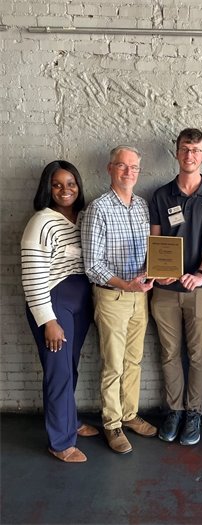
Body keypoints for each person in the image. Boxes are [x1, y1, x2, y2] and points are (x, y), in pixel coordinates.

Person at [150, 128, 202, 446]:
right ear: (177, 152)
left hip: (200, 288)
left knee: (196, 353)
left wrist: (199, 273)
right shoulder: (160, 195)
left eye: (196, 150)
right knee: (169, 353)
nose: (190, 155)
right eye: (185, 149)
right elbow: (155, 240)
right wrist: (157, 272)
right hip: (165, 290)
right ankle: (175, 411)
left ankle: (193, 413)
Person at [81, 145, 157, 455]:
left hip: (141, 297)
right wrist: (125, 284)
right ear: (110, 168)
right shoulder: (97, 208)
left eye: (134, 167)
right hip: (113, 297)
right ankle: (111, 423)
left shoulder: (142, 206)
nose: (129, 172)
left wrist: (157, 273)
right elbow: (92, 264)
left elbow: (150, 251)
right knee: (112, 364)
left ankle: (129, 415)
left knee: (133, 361)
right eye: (123, 166)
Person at [21, 160, 98, 463]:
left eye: (71, 184)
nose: (65, 190)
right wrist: (48, 320)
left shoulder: (84, 218)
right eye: (57, 184)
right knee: (59, 371)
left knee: (70, 367)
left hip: (81, 302)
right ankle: (61, 441)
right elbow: (32, 277)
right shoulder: (41, 222)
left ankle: (71, 420)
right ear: (47, 188)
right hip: (54, 305)